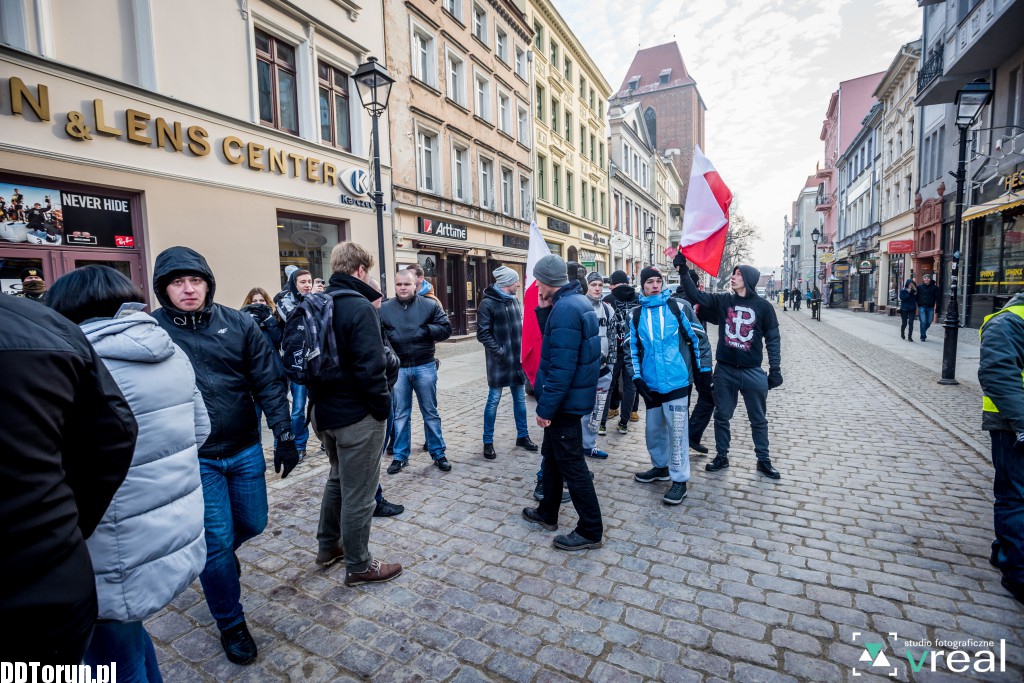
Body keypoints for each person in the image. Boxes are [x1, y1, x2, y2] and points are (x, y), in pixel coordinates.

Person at [48, 265, 209, 680]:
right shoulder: (170, 349)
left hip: (107, 539)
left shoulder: (74, 363)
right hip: (164, 526)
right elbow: (201, 430)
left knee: (111, 660)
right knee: (127, 642)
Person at [151, 246, 296, 665]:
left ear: (208, 283)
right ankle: (231, 621)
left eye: (195, 280)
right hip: (195, 457)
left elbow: (268, 380)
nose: (188, 289)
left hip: (244, 447)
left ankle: (214, 558)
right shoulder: (152, 331)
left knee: (253, 522)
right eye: (177, 282)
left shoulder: (237, 324)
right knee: (216, 542)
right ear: (164, 289)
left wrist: (284, 433)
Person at [0, 294, 137, 665]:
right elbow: (116, 435)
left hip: (45, 572)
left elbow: (115, 436)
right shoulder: (49, 326)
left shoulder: (48, 328)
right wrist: (68, 519)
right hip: (53, 575)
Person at [310, 242, 402, 585]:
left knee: (337, 479)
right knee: (360, 494)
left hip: (323, 413)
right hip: (356, 416)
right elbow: (370, 368)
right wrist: (381, 409)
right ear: (361, 270)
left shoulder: (318, 302)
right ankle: (360, 564)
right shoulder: (358, 306)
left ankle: (327, 546)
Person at [520, 254, 603, 551]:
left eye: (537, 281)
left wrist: (545, 409)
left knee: (572, 464)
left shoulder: (567, 308)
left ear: (545, 281)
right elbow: (559, 342)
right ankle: (547, 512)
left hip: (565, 402)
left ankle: (590, 529)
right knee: (553, 456)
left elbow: (561, 366)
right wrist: (544, 313)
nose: (536, 286)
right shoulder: (573, 302)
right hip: (570, 398)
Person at [676, 254, 784, 480]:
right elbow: (696, 295)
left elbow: (773, 339)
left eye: (738, 274)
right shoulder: (724, 301)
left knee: (759, 419)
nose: (733, 277)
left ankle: (763, 459)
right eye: (733, 273)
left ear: (749, 279)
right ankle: (721, 456)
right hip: (725, 370)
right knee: (722, 416)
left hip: (752, 371)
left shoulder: (763, 307)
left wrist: (775, 369)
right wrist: (683, 270)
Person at [628, 267, 711, 504]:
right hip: (651, 384)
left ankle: (679, 480)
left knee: (677, 432)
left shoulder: (678, 308)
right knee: (654, 431)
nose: (655, 285)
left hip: (677, 381)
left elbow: (698, 338)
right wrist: (636, 377)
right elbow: (631, 349)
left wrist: (704, 372)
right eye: (649, 282)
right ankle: (660, 467)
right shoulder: (635, 314)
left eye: (658, 281)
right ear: (642, 285)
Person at [381, 268, 453, 473]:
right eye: (399, 284)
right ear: (395, 286)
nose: (403, 288)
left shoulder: (430, 305)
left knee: (430, 412)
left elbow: (446, 329)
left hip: (425, 365)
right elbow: (377, 334)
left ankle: (438, 453)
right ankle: (401, 456)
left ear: (415, 285)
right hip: (400, 369)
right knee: (401, 414)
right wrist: (390, 336)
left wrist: (426, 330)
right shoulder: (384, 309)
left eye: (407, 284)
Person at [978, 290, 1024, 605]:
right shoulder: (1007, 321)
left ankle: (1005, 550)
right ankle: (1018, 573)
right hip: (1011, 426)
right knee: (1016, 497)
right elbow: (996, 374)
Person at [477, 265, 538, 459]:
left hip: (516, 361)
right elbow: (483, 334)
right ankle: (488, 441)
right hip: (499, 362)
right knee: (493, 400)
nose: (518, 284)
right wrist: (500, 352)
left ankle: (523, 436)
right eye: (516, 281)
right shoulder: (487, 304)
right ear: (506, 284)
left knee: (520, 400)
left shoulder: (513, 301)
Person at [673, 270, 716, 454]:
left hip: (683, 358)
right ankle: (688, 437)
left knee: (685, 401)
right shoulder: (693, 303)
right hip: (694, 357)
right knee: (707, 397)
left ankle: (687, 438)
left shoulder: (673, 300)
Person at [274, 269, 314, 459]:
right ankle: (298, 445)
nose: (307, 285)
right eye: (302, 282)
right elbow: (292, 316)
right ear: (293, 284)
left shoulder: (315, 299)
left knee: (319, 406)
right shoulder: (284, 300)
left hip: (316, 363)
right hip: (296, 363)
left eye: (309, 281)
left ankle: (324, 441)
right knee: (298, 410)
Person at [604, 270, 641, 433]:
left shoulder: (607, 300)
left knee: (608, 386)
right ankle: (624, 423)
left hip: (613, 349)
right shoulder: (639, 299)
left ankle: (602, 422)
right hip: (633, 349)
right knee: (630, 387)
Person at [582, 272, 612, 459]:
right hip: (585, 368)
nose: (597, 288)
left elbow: (612, 338)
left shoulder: (608, 310)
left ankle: (589, 444)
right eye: (593, 284)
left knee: (597, 408)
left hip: (603, 369)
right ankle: (576, 444)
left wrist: (611, 364)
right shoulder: (580, 307)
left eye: (600, 285)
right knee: (581, 408)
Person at [916, 273, 940, 341]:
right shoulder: (919, 287)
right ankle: (923, 336)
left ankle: (923, 330)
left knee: (929, 321)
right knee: (923, 321)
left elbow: (937, 298)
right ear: (923, 279)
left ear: (930, 279)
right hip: (922, 307)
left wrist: (937, 307)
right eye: (925, 278)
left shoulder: (934, 288)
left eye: (928, 278)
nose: (926, 279)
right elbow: (916, 296)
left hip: (930, 307)